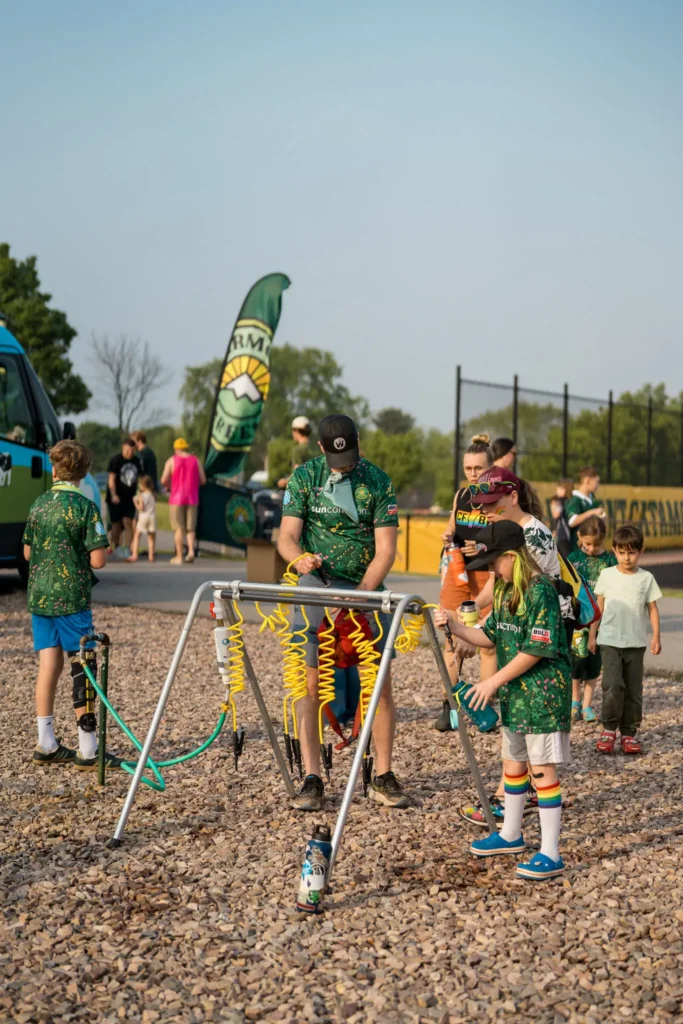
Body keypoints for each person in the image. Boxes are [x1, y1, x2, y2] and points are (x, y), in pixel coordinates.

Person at [277, 413, 407, 812]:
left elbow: (386, 550)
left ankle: (382, 775)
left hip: (365, 590)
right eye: (336, 459)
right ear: (320, 448)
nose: (344, 465)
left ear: (358, 442)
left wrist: (362, 597)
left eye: (349, 456)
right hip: (316, 587)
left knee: (378, 683)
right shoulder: (305, 477)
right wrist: (299, 559)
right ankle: (312, 777)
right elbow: (286, 537)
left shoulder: (378, 481)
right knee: (310, 684)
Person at [435, 521, 571, 881]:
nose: (492, 570)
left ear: (513, 556)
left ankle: (551, 852)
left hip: (543, 697)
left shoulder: (540, 591)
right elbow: (489, 635)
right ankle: (511, 834)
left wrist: (493, 681)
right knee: (512, 764)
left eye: (495, 562)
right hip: (515, 696)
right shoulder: (503, 590)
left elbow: (536, 649)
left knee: (542, 771)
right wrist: (453, 626)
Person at [457, 465, 572, 827]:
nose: (485, 509)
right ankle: (513, 801)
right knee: (517, 720)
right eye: (481, 503)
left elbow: (519, 591)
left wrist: (482, 630)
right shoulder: (505, 534)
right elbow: (499, 585)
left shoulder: (531, 535)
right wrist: (470, 616)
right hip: (519, 627)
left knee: (530, 716)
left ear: (512, 496)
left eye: (492, 502)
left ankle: (510, 801)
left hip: (542, 632)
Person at [22, 440, 122, 771]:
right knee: (83, 664)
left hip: (40, 597)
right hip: (71, 598)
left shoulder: (38, 504)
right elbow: (99, 560)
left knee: (48, 665)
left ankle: (46, 742)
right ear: (83, 472)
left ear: (54, 469)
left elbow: (27, 553)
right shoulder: (85, 507)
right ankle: (88, 748)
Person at [434, 433, 495, 731]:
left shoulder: (498, 498)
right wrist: (448, 535)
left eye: (478, 468)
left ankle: (484, 705)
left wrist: (482, 547)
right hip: (458, 570)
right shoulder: (461, 496)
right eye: (468, 468)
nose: (473, 473)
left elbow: (507, 537)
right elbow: (452, 526)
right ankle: (450, 706)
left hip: (487, 574)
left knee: (488, 643)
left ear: (491, 468)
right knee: (449, 637)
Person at [593, 524, 662, 755]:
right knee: (612, 685)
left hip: (636, 644)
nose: (626, 557)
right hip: (609, 640)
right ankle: (608, 729)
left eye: (631, 552)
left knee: (633, 690)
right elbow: (599, 608)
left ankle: (629, 733)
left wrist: (656, 637)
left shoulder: (647, 578)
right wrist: (592, 635)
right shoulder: (606, 575)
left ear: (641, 551)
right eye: (621, 552)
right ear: (614, 551)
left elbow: (653, 609)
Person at [567, 516, 616, 723]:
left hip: (601, 621)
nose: (591, 549)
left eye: (596, 544)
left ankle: (587, 704)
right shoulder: (573, 558)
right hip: (577, 620)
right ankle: (574, 701)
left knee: (593, 664)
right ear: (579, 536)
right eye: (587, 544)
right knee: (575, 661)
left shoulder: (609, 561)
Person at [160, 438, 206, 564]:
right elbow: (203, 480)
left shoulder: (171, 460)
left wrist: (170, 486)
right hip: (192, 497)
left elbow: (163, 479)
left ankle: (179, 556)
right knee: (191, 528)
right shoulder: (196, 460)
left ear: (176, 449)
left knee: (178, 528)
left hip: (176, 498)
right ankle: (191, 552)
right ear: (186, 447)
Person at [107, 438, 143, 556]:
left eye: (132, 451)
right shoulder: (115, 460)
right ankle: (117, 546)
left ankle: (127, 547)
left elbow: (140, 480)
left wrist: (140, 494)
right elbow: (111, 480)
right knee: (116, 523)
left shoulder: (137, 461)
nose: (130, 453)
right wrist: (114, 495)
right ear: (123, 447)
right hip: (116, 497)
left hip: (130, 498)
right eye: (128, 450)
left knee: (128, 522)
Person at [565, 467, 605, 551]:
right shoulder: (575, 499)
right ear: (588, 481)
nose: (598, 485)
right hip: (578, 548)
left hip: (593, 547)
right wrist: (592, 512)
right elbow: (572, 521)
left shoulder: (592, 497)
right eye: (596, 482)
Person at [277, 416, 317, 489]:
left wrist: (284, 482)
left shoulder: (297, 450)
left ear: (296, 431)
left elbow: (297, 476)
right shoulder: (316, 447)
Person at [126, 475, 157, 563]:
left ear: (143, 485)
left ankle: (134, 555)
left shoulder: (141, 496)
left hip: (143, 517)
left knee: (137, 536)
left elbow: (141, 508)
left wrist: (135, 502)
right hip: (152, 517)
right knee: (151, 537)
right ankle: (151, 556)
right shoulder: (153, 495)